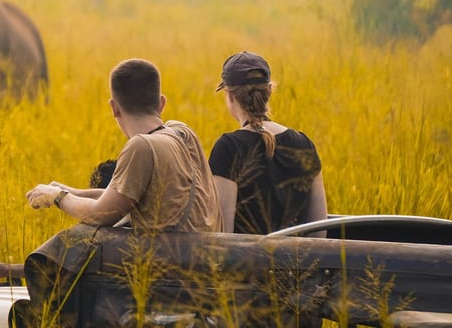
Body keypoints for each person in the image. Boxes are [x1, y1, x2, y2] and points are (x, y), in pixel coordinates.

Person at [26, 58, 222, 233]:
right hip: (205, 260)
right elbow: (118, 198)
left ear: (114, 108)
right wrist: (69, 191)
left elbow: (102, 213)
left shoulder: (141, 146)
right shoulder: (182, 132)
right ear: (162, 103)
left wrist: (57, 197)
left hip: (170, 266)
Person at [208, 51, 327, 235]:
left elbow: (222, 237)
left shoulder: (228, 148)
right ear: (269, 91)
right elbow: (319, 232)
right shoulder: (305, 144)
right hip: (299, 263)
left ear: (230, 97)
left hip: (249, 264)